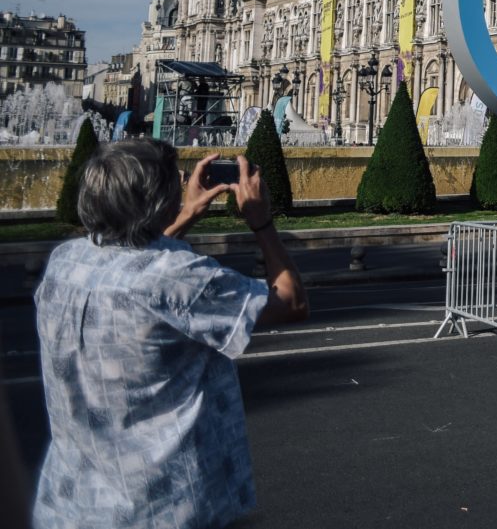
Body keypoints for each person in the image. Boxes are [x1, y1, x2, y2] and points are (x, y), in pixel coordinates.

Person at [33, 140, 310, 529]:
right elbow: (291, 301)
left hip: (71, 504)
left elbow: (134, 259)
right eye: (173, 182)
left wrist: (187, 214)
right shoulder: (179, 277)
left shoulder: (66, 261)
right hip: (162, 507)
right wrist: (261, 221)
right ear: (158, 200)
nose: (181, 183)